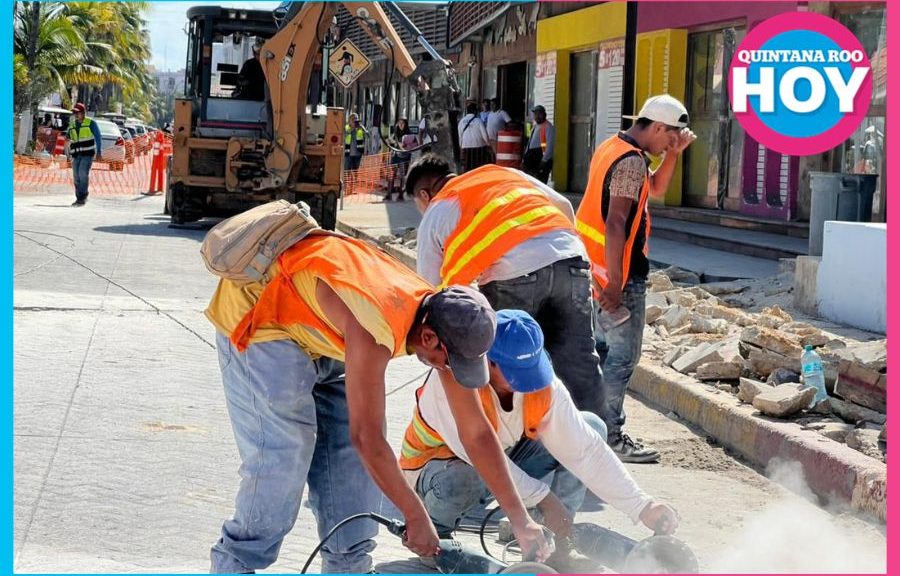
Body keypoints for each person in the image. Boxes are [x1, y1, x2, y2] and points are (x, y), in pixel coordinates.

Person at [205, 233, 550, 573]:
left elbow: (476, 433)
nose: (450, 371)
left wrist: (521, 521)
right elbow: (367, 437)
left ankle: (348, 567)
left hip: (323, 327)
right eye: (450, 362)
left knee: (353, 469)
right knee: (286, 453)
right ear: (429, 338)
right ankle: (233, 565)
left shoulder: (442, 319)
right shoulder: (377, 328)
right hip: (263, 318)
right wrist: (414, 515)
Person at [400, 309, 679, 545]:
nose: (527, 383)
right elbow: (480, 455)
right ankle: (434, 536)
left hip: (500, 460)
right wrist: (544, 497)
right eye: (515, 375)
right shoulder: (453, 382)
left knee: (590, 426)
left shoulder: (540, 384)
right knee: (463, 480)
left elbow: (586, 451)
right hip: (438, 469)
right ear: (488, 361)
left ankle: (552, 536)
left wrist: (643, 506)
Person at [405, 153, 605, 419]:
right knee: (579, 361)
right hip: (570, 258)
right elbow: (565, 205)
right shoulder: (501, 174)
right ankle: (599, 435)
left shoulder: (437, 210)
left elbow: (431, 290)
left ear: (424, 195)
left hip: (514, 275)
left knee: (507, 359)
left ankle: (517, 442)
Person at [576, 94, 696, 463]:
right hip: (618, 277)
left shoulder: (616, 148)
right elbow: (615, 222)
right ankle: (609, 436)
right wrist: (615, 283)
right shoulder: (630, 163)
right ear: (658, 127)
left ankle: (584, 431)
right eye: (668, 140)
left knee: (599, 354)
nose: (666, 147)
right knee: (621, 359)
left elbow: (655, 189)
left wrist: (674, 155)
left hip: (593, 269)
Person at [66, 102, 102, 207]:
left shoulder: (91, 123)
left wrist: (99, 152)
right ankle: (78, 198)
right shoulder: (72, 124)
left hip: (87, 154)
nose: (76, 115)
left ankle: (83, 197)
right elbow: (68, 138)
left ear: (83, 113)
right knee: (76, 176)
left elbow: (98, 137)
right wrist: (67, 154)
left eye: (78, 113)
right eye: (74, 113)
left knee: (82, 173)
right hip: (76, 154)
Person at [457, 101, 493, 173]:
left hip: (466, 148)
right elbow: (485, 135)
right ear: (475, 111)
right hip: (479, 149)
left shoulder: (461, 121)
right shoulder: (478, 121)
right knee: (478, 168)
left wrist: (461, 146)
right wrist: (489, 145)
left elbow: (459, 135)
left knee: (467, 169)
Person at [523, 105, 555, 184]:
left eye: (539, 114)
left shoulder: (548, 126)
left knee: (540, 182)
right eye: (535, 114)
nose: (537, 116)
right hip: (531, 158)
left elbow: (550, 146)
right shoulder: (535, 126)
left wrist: (544, 160)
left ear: (544, 115)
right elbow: (529, 143)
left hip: (540, 158)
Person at [387, 117, 412, 201]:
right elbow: (390, 141)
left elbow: (405, 146)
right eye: (399, 123)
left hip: (404, 157)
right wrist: (390, 141)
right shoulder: (396, 133)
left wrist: (396, 143)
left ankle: (401, 194)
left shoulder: (409, 134)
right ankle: (389, 194)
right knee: (391, 174)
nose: (400, 125)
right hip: (395, 156)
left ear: (405, 124)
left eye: (402, 123)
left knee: (402, 175)